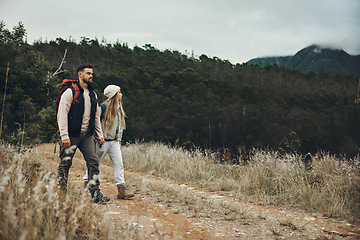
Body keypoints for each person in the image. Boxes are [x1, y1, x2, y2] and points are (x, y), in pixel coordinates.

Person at [57, 63, 110, 203]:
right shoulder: (70, 92)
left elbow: (96, 116)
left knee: (93, 163)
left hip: (87, 136)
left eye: (92, 73)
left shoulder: (93, 94)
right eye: (88, 73)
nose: (91, 76)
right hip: (71, 136)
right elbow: (62, 114)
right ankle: (61, 194)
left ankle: (95, 194)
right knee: (65, 164)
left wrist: (99, 135)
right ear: (80, 74)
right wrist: (64, 136)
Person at [83, 85, 134, 199]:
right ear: (114, 94)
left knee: (119, 164)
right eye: (119, 92)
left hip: (114, 142)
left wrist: (119, 141)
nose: (121, 94)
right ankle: (85, 185)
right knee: (94, 164)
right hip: (102, 142)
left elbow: (120, 127)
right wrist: (97, 137)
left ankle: (121, 190)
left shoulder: (119, 108)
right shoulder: (103, 108)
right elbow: (95, 123)